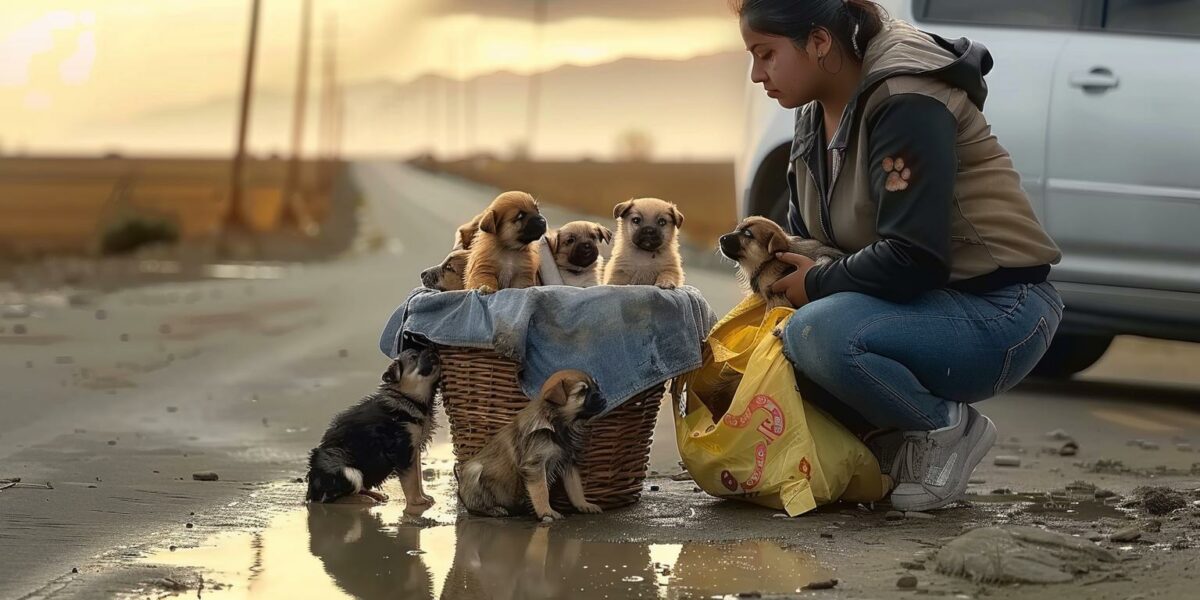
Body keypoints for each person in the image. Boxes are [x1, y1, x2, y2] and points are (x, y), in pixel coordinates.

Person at [734, 0, 1065, 511]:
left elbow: (916, 256)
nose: (756, 74)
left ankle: (943, 428)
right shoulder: (812, 117)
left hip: (999, 310)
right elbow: (809, 238)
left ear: (819, 43)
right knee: (770, 340)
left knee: (814, 332)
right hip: (911, 309)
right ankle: (886, 442)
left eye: (766, 54)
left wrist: (817, 284)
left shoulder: (907, 98)